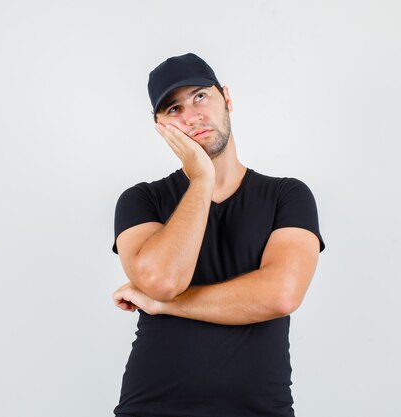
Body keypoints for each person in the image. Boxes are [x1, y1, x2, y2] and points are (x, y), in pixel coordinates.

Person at [111, 52, 326, 417]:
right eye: (173, 109)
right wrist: (201, 178)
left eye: (200, 96)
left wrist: (164, 306)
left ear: (226, 97)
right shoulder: (141, 200)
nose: (192, 116)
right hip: (152, 407)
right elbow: (163, 280)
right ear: (160, 126)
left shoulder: (287, 196)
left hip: (260, 409)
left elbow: (281, 294)